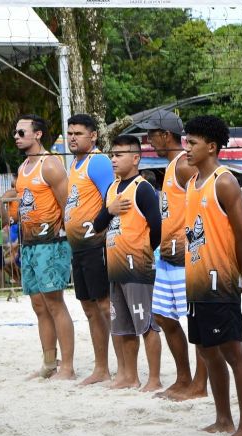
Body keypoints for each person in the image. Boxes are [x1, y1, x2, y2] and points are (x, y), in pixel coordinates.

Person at [183, 115, 242, 436]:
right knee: (206, 350)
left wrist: (240, 271)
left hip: (219, 280)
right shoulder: (191, 182)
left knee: (232, 351)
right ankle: (223, 418)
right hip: (195, 281)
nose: (187, 147)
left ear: (211, 146)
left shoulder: (224, 182)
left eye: (193, 142)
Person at [138, 109, 209, 401]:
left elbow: (208, 196)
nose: (148, 140)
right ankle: (184, 378)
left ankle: (200, 386)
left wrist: (195, 241)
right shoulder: (170, 166)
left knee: (197, 323)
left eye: (151, 134)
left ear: (165, 135)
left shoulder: (183, 165)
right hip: (167, 258)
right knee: (163, 317)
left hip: (186, 259)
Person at [93, 134, 163, 391]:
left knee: (146, 324)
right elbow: (98, 225)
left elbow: (157, 227)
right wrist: (109, 210)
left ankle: (153, 379)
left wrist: (144, 250)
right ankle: (129, 376)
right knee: (122, 327)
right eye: (112, 154)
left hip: (137, 267)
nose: (113, 159)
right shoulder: (112, 189)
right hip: (114, 266)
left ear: (135, 158)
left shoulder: (142, 188)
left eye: (119, 154)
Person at [14, 114, 76, 380]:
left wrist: (67, 238)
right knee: (38, 305)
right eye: (16, 133)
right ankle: (49, 364)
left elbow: (68, 206)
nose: (16, 136)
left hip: (51, 243)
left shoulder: (50, 165)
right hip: (29, 244)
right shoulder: (23, 167)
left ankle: (68, 367)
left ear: (37, 134)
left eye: (21, 132)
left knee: (55, 303)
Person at [64, 113, 116, 386]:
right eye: (70, 133)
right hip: (79, 247)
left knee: (105, 306)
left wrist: (103, 231)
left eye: (78, 133)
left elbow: (112, 199)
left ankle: (120, 368)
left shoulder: (97, 162)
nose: (72, 138)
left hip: (96, 245)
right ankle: (101, 368)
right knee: (88, 308)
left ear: (93, 136)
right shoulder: (75, 163)